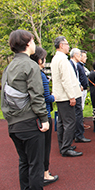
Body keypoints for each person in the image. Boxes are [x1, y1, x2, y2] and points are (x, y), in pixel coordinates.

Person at [1, 29, 49, 189]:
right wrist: (43, 118)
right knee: (36, 165)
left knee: (24, 162)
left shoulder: (8, 68)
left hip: (14, 125)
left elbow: (4, 97)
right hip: (30, 123)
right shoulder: (30, 65)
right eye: (33, 41)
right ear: (28, 43)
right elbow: (37, 95)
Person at [30, 46, 59, 186]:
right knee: (45, 147)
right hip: (44, 114)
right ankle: (45, 173)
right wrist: (54, 97)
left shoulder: (29, 72)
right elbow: (46, 97)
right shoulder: (40, 75)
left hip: (32, 115)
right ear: (40, 59)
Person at [51, 36, 83, 157]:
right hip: (65, 96)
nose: (68, 46)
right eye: (67, 44)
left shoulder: (56, 58)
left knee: (62, 122)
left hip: (60, 96)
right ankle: (66, 148)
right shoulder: (62, 60)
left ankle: (64, 144)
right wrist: (72, 96)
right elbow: (65, 80)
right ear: (61, 45)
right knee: (70, 122)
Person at [69, 48, 91, 143]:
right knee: (77, 113)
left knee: (79, 112)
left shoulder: (77, 65)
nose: (81, 57)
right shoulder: (71, 64)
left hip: (79, 90)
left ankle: (78, 133)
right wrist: (79, 85)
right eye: (79, 55)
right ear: (74, 55)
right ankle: (78, 134)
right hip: (75, 91)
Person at [78, 50, 91, 129]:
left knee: (81, 107)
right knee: (80, 107)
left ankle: (81, 123)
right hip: (81, 89)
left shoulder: (83, 66)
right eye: (84, 56)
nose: (86, 58)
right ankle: (80, 124)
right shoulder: (78, 66)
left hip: (85, 88)